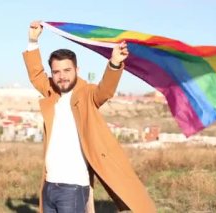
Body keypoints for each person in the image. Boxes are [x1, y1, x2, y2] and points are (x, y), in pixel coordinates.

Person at [23, 21, 156, 213]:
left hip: (73, 187)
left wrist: (115, 63)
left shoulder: (87, 94)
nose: (62, 77)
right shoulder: (52, 94)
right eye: (57, 72)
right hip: (49, 185)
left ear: (77, 70)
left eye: (67, 70)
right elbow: (36, 75)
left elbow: (105, 90)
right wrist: (32, 41)